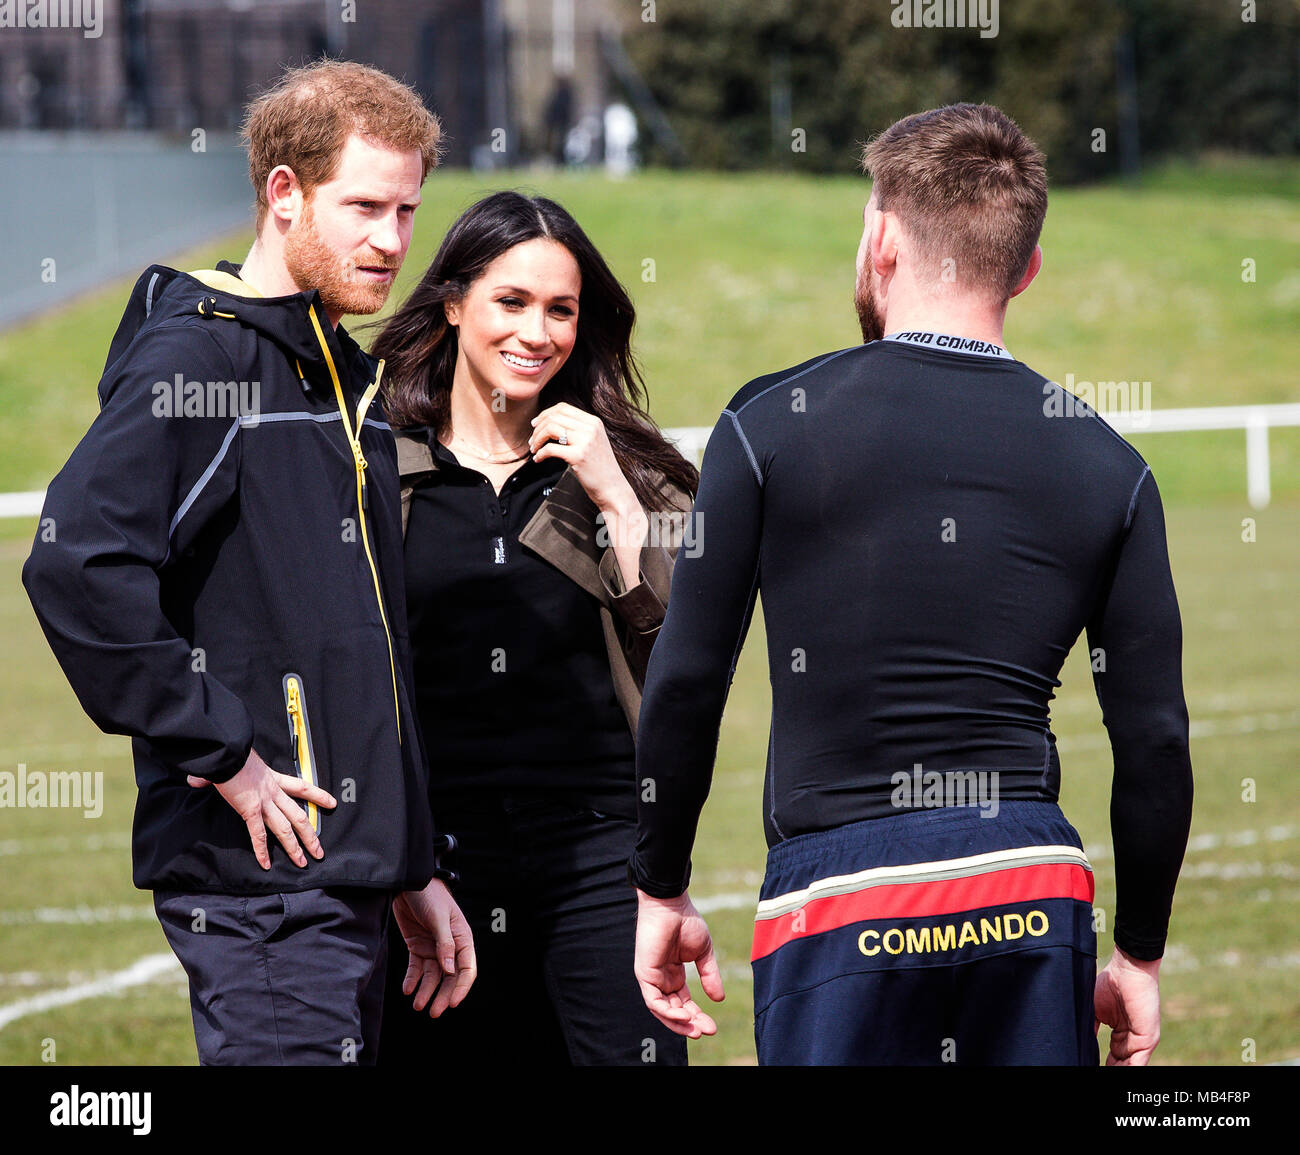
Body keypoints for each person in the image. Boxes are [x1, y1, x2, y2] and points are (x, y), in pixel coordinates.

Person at [629, 103, 1194, 1066]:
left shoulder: (767, 423)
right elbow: (1154, 737)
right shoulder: (1112, 464)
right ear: (1026, 268)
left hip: (843, 891)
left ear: (880, 240)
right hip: (1029, 882)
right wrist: (1138, 951)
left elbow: (686, 680)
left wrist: (660, 883)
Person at [21, 59, 474, 1066]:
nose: (391, 241)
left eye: (406, 211)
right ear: (283, 193)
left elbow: (348, 642)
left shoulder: (332, 372)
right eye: (363, 207)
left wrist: (404, 862)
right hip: (262, 894)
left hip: (340, 881)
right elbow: (76, 560)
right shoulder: (204, 361)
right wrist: (218, 750)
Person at [370, 191, 698, 1066]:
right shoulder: (374, 466)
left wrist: (616, 498)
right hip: (432, 861)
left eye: (561, 308)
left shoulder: (636, 475)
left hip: (599, 854)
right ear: (453, 304)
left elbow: (683, 670)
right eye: (511, 302)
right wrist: (404, 864)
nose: (537, 331)